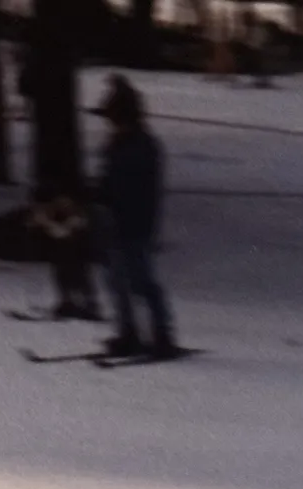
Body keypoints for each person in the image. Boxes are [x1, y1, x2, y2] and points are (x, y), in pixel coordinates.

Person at [93, 77, 179, 358]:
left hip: (135, 224)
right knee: (116, 281)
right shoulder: (118, 145)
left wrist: (106, 195)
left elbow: (130, 187)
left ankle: (162, 334)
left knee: (141, 281)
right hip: (115, 223)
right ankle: (127, 332)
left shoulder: (141, 147)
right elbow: (109, 182)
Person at [26, 189, 102, 322]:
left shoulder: (78, 214)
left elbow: (63, 232)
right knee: (61, 272)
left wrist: (45, 222)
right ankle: (68, 301)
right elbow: (33, 226)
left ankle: (89, 304)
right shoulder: (54, 210)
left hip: (79, 251)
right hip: (64, 251)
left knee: (79, 275)